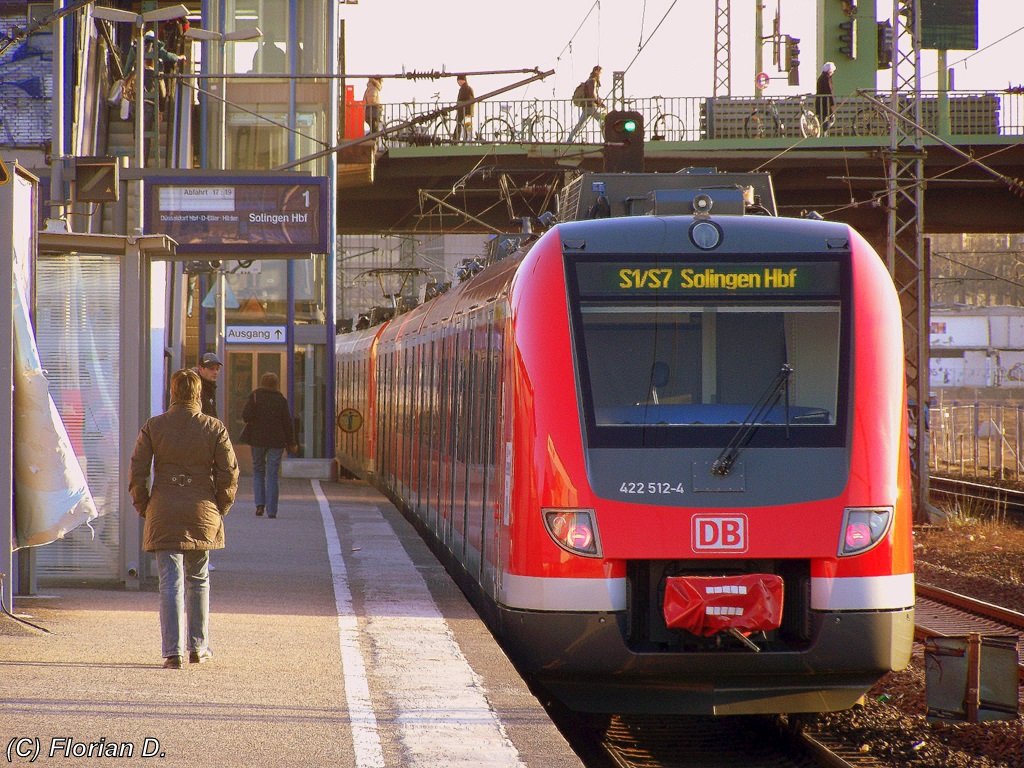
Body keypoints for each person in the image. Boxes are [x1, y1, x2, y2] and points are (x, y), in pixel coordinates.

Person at [129, 369, 238, 669]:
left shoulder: (154, 426)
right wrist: (219, 508)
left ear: (172, 392)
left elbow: (137, 470)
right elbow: (229, 473)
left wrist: (145, 506)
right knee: (199, 579)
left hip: (163, 508)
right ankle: (197, 647)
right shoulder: (214, 428)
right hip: (201, 509)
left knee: (170, 582)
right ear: (199, 394)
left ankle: (172, 651)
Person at [241, 372, 296, 519]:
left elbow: (245, 415)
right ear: (276, 384)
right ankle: (272, 510)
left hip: (257, 439)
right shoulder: (281, 400)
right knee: (272, 474)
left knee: (258, 470)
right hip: (276, 441)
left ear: (261, 382)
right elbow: (287, 423)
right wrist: (291, 442)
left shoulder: (255, 396)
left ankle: (260, 505)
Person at [566, 66, 606, 143]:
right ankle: (607, 139)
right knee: (603, 121)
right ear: (597, 72)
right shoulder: (593, 81)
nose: (600, 74)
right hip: (592, 107)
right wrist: (599, 103)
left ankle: (569, 139)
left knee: (580, 125)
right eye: (600, 72)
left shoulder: (588, 80)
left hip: (586, 106)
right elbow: (592, 94)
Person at [192, 352, 222, 420]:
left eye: (217, 369)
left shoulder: (210, 387)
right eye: (211, 368)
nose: (215, 372)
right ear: (200, 369)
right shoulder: (194, 389)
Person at [451, 74, 475, 143]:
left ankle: (455, 140)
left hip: (463, 110)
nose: (457, 83)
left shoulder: (464, 88)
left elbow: (462, 100)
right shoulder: (468, 88)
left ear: (461, 80)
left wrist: (457, 105)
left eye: (458, 81)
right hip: (467, 111)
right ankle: (468, 139)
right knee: (467, 126)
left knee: (459, 125)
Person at [816, 61, 837, 135]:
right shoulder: (827, 79)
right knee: (831, 118)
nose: (833, 72)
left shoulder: (821, 78)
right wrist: (833, 104)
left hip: (820, 102)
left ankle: (820, 132)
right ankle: (823, 132)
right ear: (830, 71)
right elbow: (829, 91)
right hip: (826, 103)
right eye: (833, 71)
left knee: (821, 119)